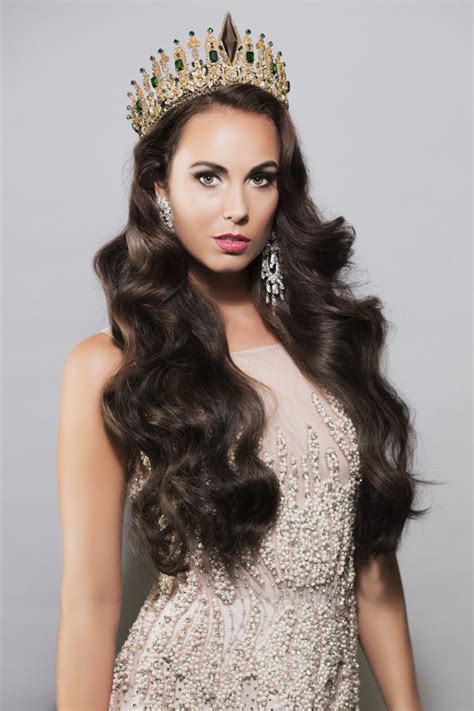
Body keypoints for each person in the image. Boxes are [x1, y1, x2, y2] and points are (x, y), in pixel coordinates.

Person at [56, 11, 431, 711]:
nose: (237, 208)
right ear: (160, 189)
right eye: (208, 177)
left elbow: (371, 564)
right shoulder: (109, 364)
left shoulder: (330, 343)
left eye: (260, 179)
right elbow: (91, 600)